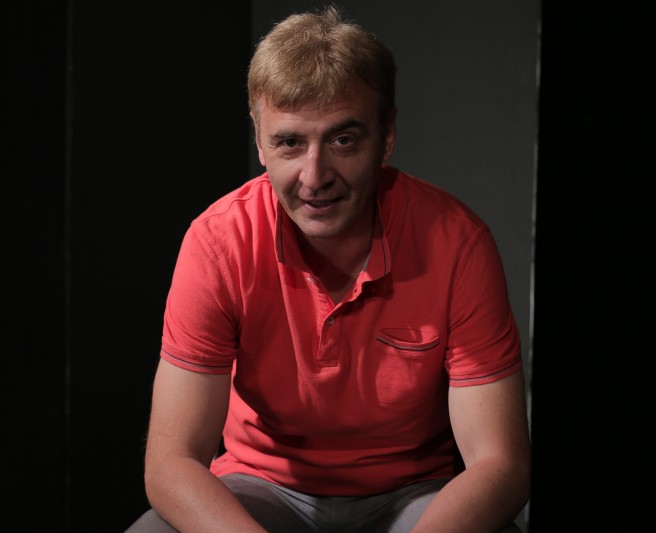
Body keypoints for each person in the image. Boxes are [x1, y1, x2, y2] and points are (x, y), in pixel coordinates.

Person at [126, 5, 530, 532]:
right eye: (290, 143)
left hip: (412, 496)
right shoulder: (218, 243)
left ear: (386, 135)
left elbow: (501, 464)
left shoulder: (458, 245)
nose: (315, 176)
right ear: (259, 141)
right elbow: (171, 463)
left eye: (342, 140)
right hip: (261, 488)